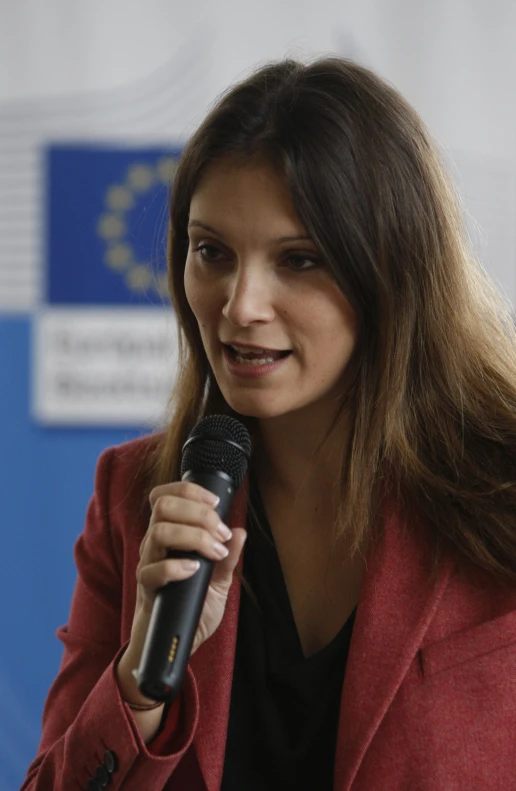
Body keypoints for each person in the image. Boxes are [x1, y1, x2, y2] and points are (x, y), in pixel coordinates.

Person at [21, 56, 516, 791]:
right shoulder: (133, 496)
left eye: (300, 259)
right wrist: (140, 684)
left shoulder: (500, 483)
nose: (240, 303)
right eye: (210, 252)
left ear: (392, 273)